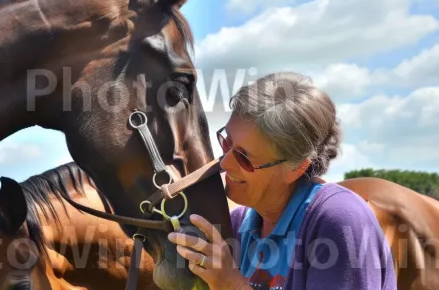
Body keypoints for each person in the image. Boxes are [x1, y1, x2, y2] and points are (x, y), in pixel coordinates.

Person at [168, 71, 396, 290]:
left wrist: (232, 285)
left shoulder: (339, 220)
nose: (225, 163)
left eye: (244, 157)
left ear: (295, 168)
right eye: (227, 142)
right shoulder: (237, 224)